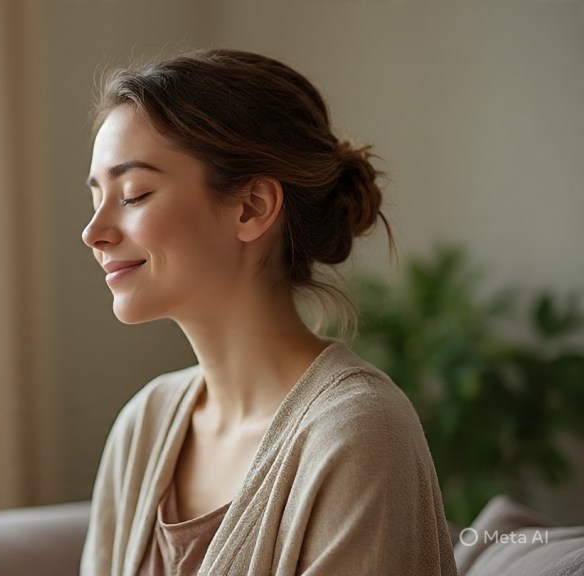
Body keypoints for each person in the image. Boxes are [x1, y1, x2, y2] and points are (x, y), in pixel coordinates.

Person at [79, 49, 457, 576]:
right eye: (96, 196)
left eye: (134, 194)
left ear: (251, 207)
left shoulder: (356, 433)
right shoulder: (144, 425)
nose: (93, 232)